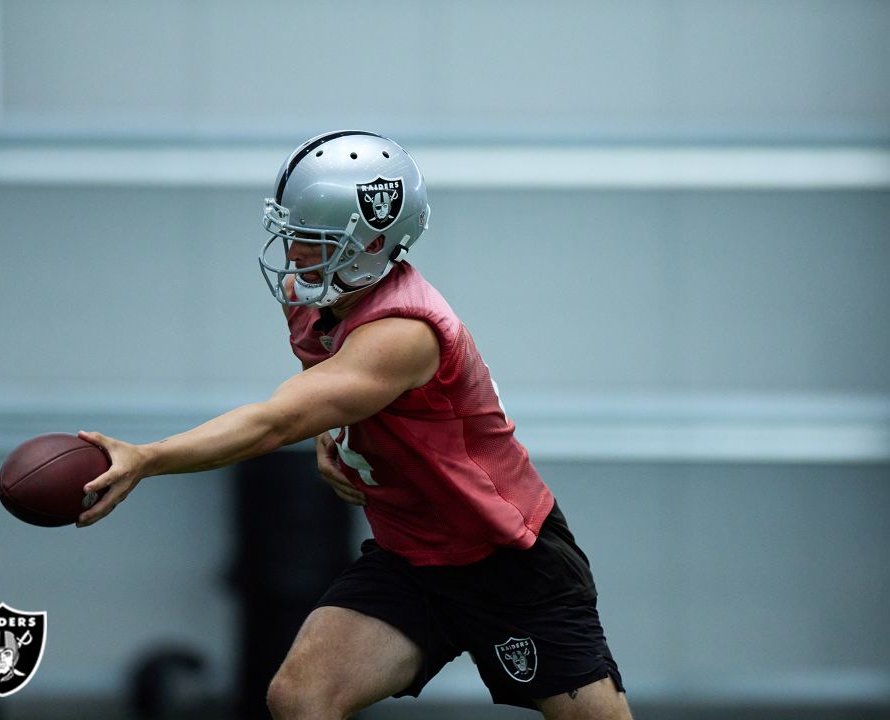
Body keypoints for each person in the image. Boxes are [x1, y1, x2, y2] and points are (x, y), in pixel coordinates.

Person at [75, 131, 632, 720]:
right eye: (292, 235)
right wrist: (336, 430)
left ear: (371, 244)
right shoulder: (316, 297)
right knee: (301, 696)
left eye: (313, 241)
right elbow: (334, 386)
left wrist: (148, 457)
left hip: (507, 558)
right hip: (412, 556)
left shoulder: (404, 332)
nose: (294, 255)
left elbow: (274, 421)